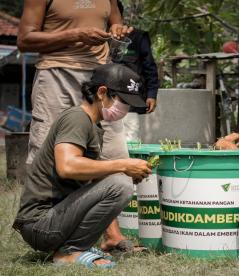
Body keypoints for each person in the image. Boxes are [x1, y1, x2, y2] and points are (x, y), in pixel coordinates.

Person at [12, 64, 152, 268]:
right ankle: (68, 253)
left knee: (118, 180)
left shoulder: (93, 125)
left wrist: (123, 171)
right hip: (40, 224)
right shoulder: (77, 118)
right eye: (123, 101)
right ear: (102, 93)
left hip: (51, 222)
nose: (125, 109)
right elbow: (67, 166)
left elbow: (94, 179)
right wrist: (122, 165)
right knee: (120, 183)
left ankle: (74, 247)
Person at [17, 0, 132, 164]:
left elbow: (116, 23)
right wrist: (76, 35)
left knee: (116, 156)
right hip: (57, 75)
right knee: (47, 153)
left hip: (101, 78)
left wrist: (117, 30)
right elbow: (24, 40)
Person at [115, 1, 159, 142]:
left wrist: (152, 94)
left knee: (131, 140)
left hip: (130, 99)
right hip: (104, 101)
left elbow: (149, 67)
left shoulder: (138, 37)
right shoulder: (96, 38)